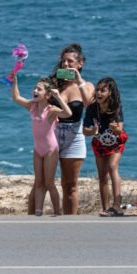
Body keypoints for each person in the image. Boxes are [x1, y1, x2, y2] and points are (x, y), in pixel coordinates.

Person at [12, 76, 71, 216]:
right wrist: (14, 81)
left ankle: (58, 212)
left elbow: (68, 113)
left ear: (48, 94)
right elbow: (16, 97)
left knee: (49, 183)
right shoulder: (32, 106)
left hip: (51, 150)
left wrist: (58, 96)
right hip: (38, 150)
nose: (35, 90)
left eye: (39, 89)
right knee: (39, 182)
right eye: (35, 88)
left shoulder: (51, 110)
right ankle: (38, 212)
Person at [49, 43, 95, 215]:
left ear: (80, 63)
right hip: (51, 135)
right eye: (63, 62)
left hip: (74, 136)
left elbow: (89, 104)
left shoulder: (87, 85)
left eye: (70, 62)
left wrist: (79, 81)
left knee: (70, 185)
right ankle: (40, 215)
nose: (66, 65)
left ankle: (71, 221)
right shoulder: (54, 83)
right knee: (45, 182)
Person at [83, 77, 128, 217]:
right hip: (99, 143)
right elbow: (85, 131)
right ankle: (106, 208)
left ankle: (117, 206)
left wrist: (116, 129)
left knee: (112, 167)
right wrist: (92, 131)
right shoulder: (92, 108)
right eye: (98, 90)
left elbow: (121, 129)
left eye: (103, 90)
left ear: (110, 92)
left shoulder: (116, 107)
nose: (99, 93)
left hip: (115, 141)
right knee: (102, 176)